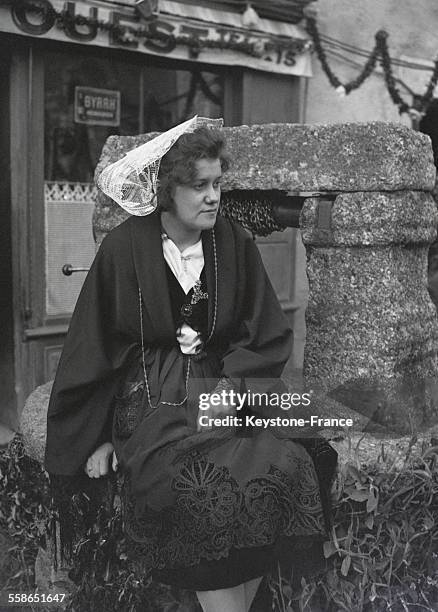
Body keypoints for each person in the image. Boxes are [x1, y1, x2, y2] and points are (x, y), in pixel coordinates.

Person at [45, 116, 337, 612]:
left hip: (224, 392)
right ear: (166, 189)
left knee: (289, 462)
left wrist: (234, 391)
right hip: (154, 402)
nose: (212, 197)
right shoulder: (125, 248)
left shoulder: (233, 243)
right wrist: (97, 436)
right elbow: (91, 345)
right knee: (198, 490)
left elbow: (264, 330)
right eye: (198, 185)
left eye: (218, 184)